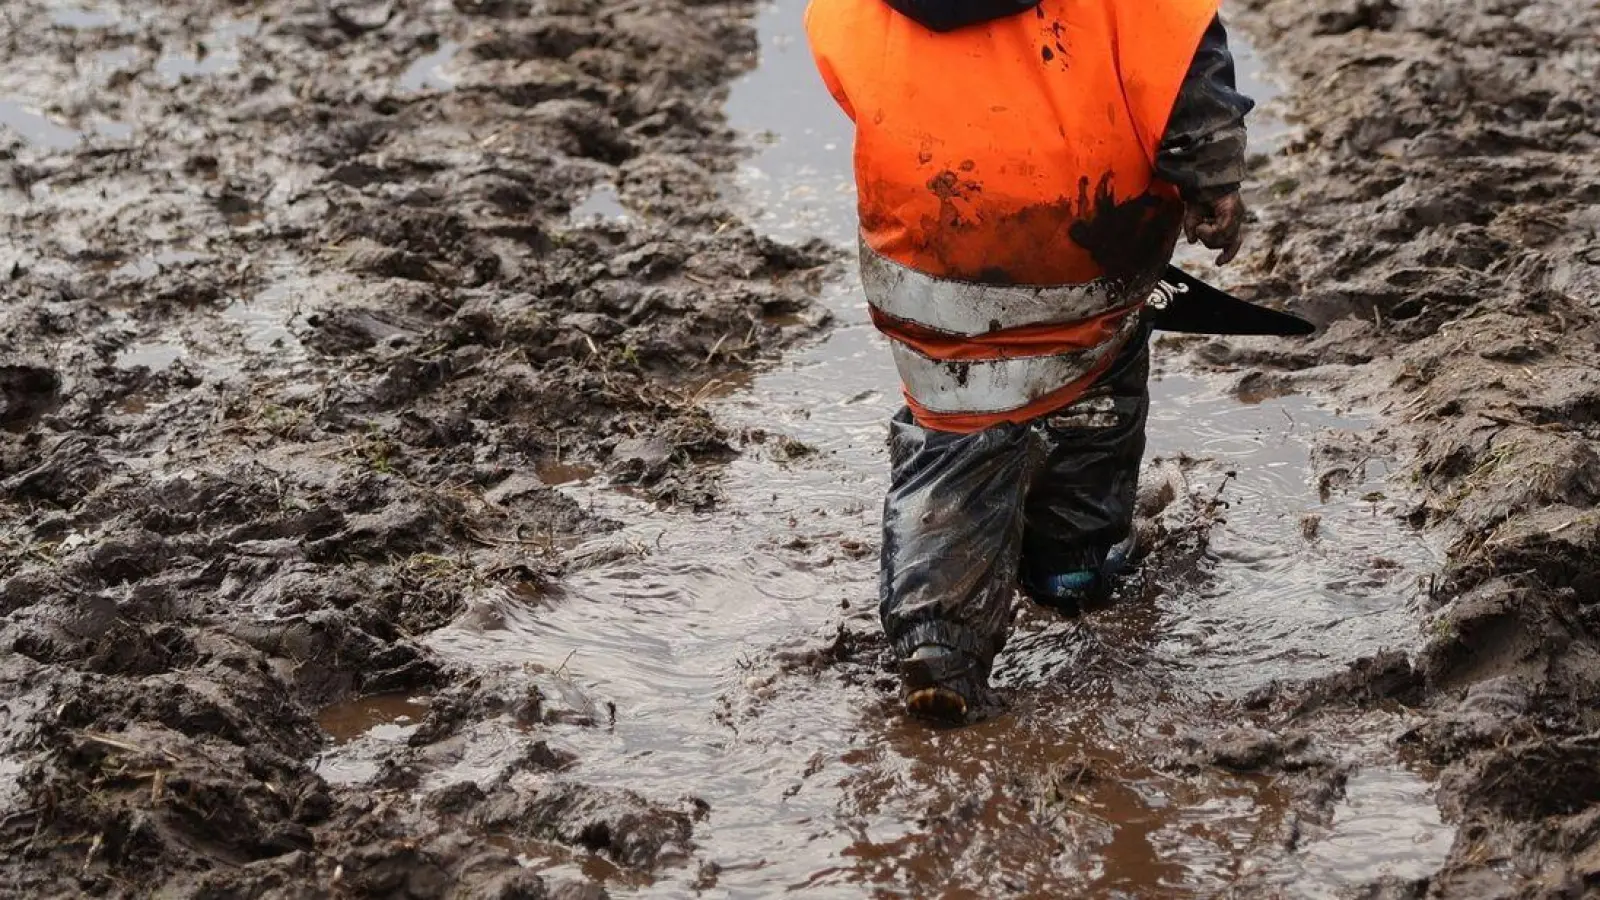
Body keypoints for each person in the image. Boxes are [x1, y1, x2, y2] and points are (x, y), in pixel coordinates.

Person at [804, 0, 1254, 722]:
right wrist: (1214, 182)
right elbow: (1184, 69)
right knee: (1095, 393)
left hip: (928, 237)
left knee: (953, 418)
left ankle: (938, 637)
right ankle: (1075, 567)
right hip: (1089, 231)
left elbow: (841, 61)